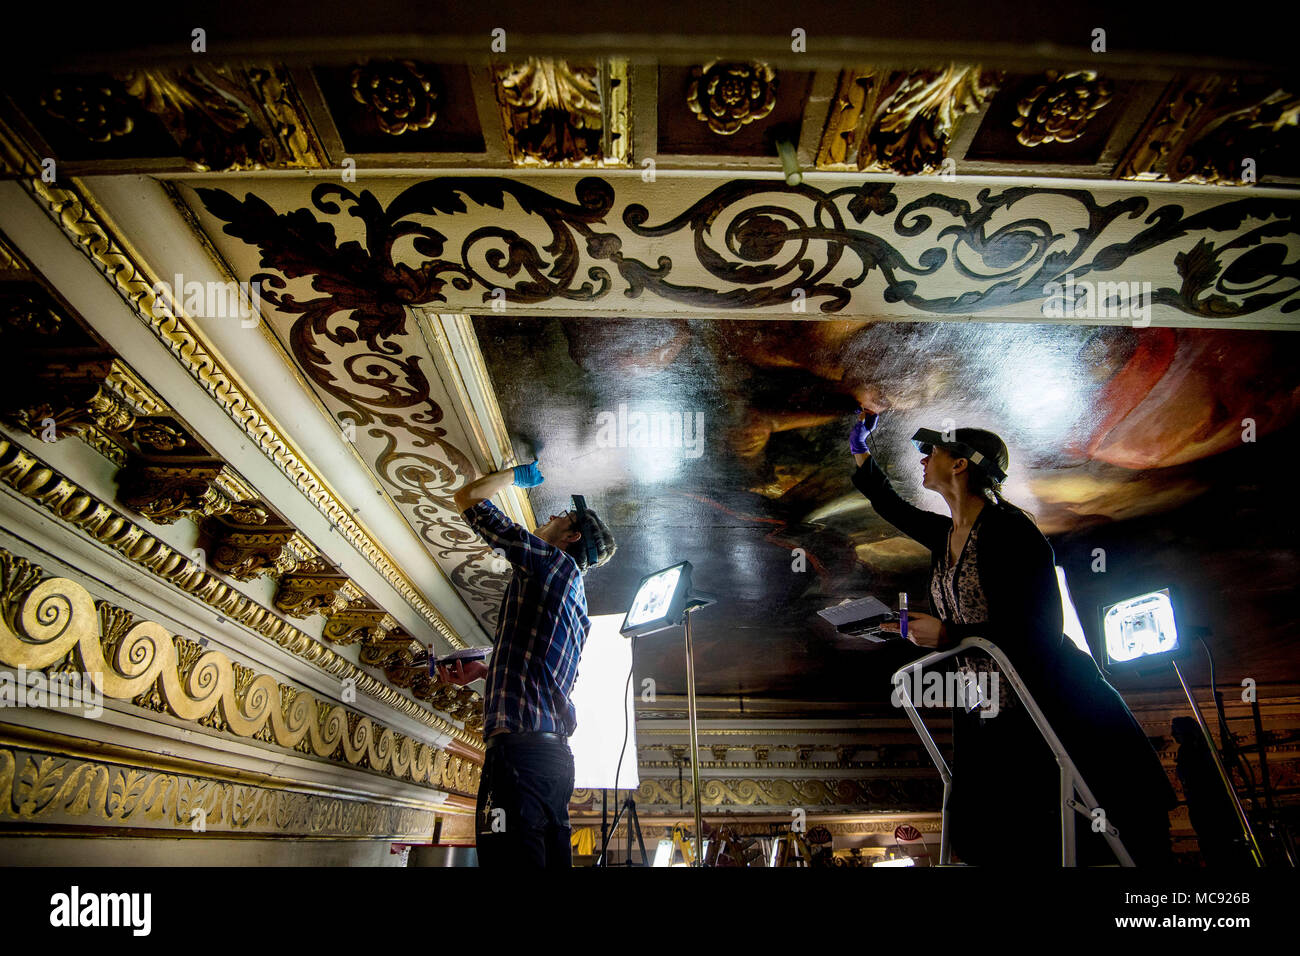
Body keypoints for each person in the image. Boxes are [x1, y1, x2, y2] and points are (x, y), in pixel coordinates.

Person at [849, 409, 1176, 865]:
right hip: (988, 707)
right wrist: (862, 452)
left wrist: (949, 633)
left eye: (932, 450)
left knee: (1071, 829)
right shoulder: (945, 535)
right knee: (991, 832)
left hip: (1055, 704)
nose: (923, 458)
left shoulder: (1011, 531)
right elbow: (891, 506)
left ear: (960, 463)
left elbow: (1040, 628)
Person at [442, 459, 616, 867]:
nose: (552, 515)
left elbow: (468, 499)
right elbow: (538, 670)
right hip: (548, 760)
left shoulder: (552, 564)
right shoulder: (574, 600)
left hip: (520, 758)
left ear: (571, 537)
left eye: (564, 517)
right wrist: (487, 670)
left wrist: (516, 476)